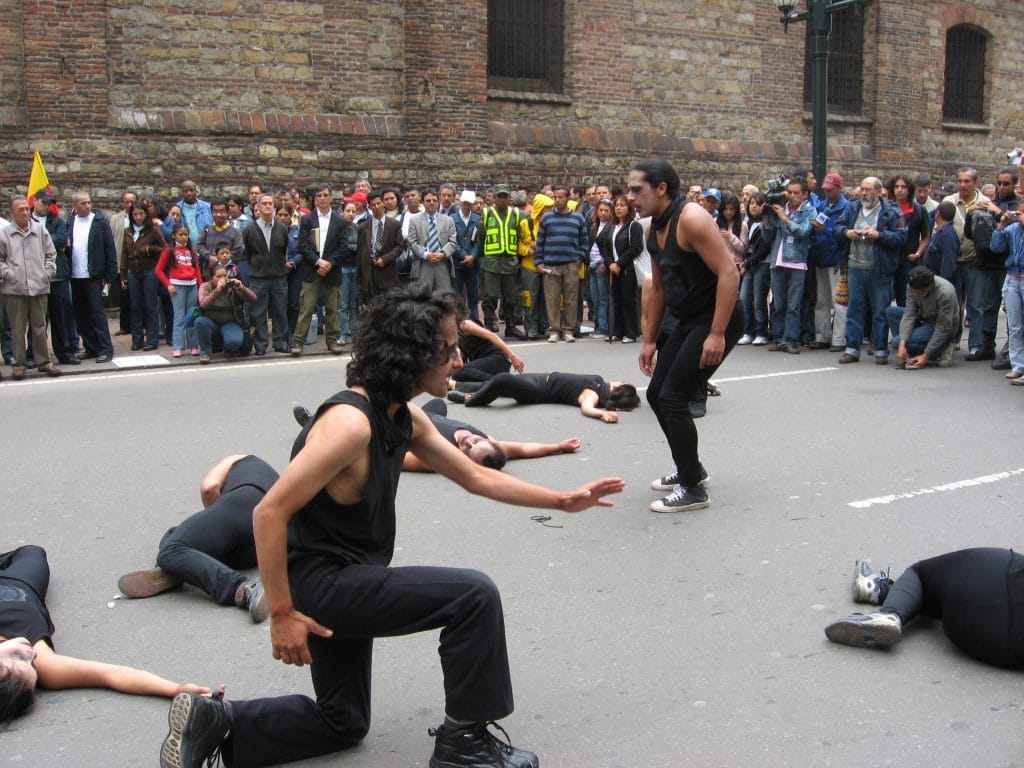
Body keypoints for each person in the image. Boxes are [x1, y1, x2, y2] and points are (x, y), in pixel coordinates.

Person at [158, 285, 623, 768]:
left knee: (343, 721)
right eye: (447, 349)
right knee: (473, 596)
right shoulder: (351, 424)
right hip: (325, 584)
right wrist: (281, 613)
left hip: (344, 578)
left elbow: (474, 477)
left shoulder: (403, 415)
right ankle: (465, 744)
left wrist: (563, 500)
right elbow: (268, 512)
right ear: (412, 353)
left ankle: (218, 723)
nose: (459, 361)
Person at [627, 159, 743, 513]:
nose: (631, 196)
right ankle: (690, 469)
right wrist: (649, 340)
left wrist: (718, 333)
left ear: (661, 188)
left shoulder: (691, 218)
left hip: (717, 317)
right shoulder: (653, 228)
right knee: (658, 394)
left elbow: (729, 273)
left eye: (637, 189)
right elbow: (658, 288)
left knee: (675, 396)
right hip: (690, 319)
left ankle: (694, 489)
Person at [0, 545, 211, 724]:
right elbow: (114, 675)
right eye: (31, 664)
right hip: (18, 583)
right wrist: (176, 689)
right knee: (33, 553)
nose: (31, 654)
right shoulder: (45, 663)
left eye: (18, 658)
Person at [117, 455, 274, 621]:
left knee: (172, 547)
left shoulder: (237, 459)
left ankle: (243, 587)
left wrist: (216, 519)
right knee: (198, 551)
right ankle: (183, 569)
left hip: (242, 503)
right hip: (266, 539)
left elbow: (209, 488)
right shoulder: (267, 473)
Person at [825, 549, 1024, 668]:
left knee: (921, 574)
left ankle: (887, 608)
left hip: (988, 591)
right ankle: (887, 593)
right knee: (943, 594)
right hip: (1000, 648)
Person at [294, 398, 581, 472]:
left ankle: (315, 423)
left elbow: (398, 460)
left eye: (468, 450)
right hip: (429, 415)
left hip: (400, 424)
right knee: (438, 405)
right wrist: (558, 446)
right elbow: (523, 448)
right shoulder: (490, 443)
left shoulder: (436, 457)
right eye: (476, 441)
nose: (469, 441)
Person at [0, 196, 61, 380]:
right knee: (17, 328)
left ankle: (44, 362)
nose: (25, 212)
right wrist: (9, 274)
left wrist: (47, 272)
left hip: (39, 286)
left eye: (27, 208)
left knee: (39, 327)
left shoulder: (40, 230)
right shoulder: (5, 234)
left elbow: (51, 254)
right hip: (14, 288)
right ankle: (19, 365)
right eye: (21, 209)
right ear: (12, 212)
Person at [448, 371, 639, 424]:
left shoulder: (592, 394)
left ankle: (470, 399)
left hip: (536, 390)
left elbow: (587, 408)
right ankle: (452, 384)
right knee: (493, 384)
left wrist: (602, 415)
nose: (619, 380)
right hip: (539, 378)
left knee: (502, 379)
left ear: (617, 389)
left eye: (621, 383)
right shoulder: (598, 381)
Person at [884, 266, 958, 368]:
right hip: (924, 317)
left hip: (940, 325)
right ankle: (906, 351)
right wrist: (903, 343)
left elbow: (943, 327)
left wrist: (926, 355)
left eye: (920, 293)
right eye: (914, 291)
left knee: (895, 342)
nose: (915, 294)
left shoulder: (945, 293)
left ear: (930, 285)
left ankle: (942, 349)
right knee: (891, 312)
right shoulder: (911, 285)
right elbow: (909, 314)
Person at [155, 224, 203, 358]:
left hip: (192, 285)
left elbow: (197, 269)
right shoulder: (169, 251)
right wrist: (168, 284)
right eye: (180, 234)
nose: (183, 237)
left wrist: (201, 286)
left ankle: (193, 345)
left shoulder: (192, 251)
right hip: (177, 286)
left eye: (186, 234)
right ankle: (178, 346)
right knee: (179, 317)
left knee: (192, 315)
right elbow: (158, 269)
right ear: (174, 235)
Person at [193, 263, 257, 363]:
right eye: (218, 277)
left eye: (225, 276)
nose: (222, 279)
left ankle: (223, 344)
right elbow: (203, 304)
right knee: (199, 322)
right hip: (210, 322)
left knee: (234, 342)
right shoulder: (205, 286)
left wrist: (241, 287)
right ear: (211, 277)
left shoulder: (232, 286)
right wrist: (217, 290)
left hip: (229, 322)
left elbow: (253, 298)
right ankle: (205, 353)